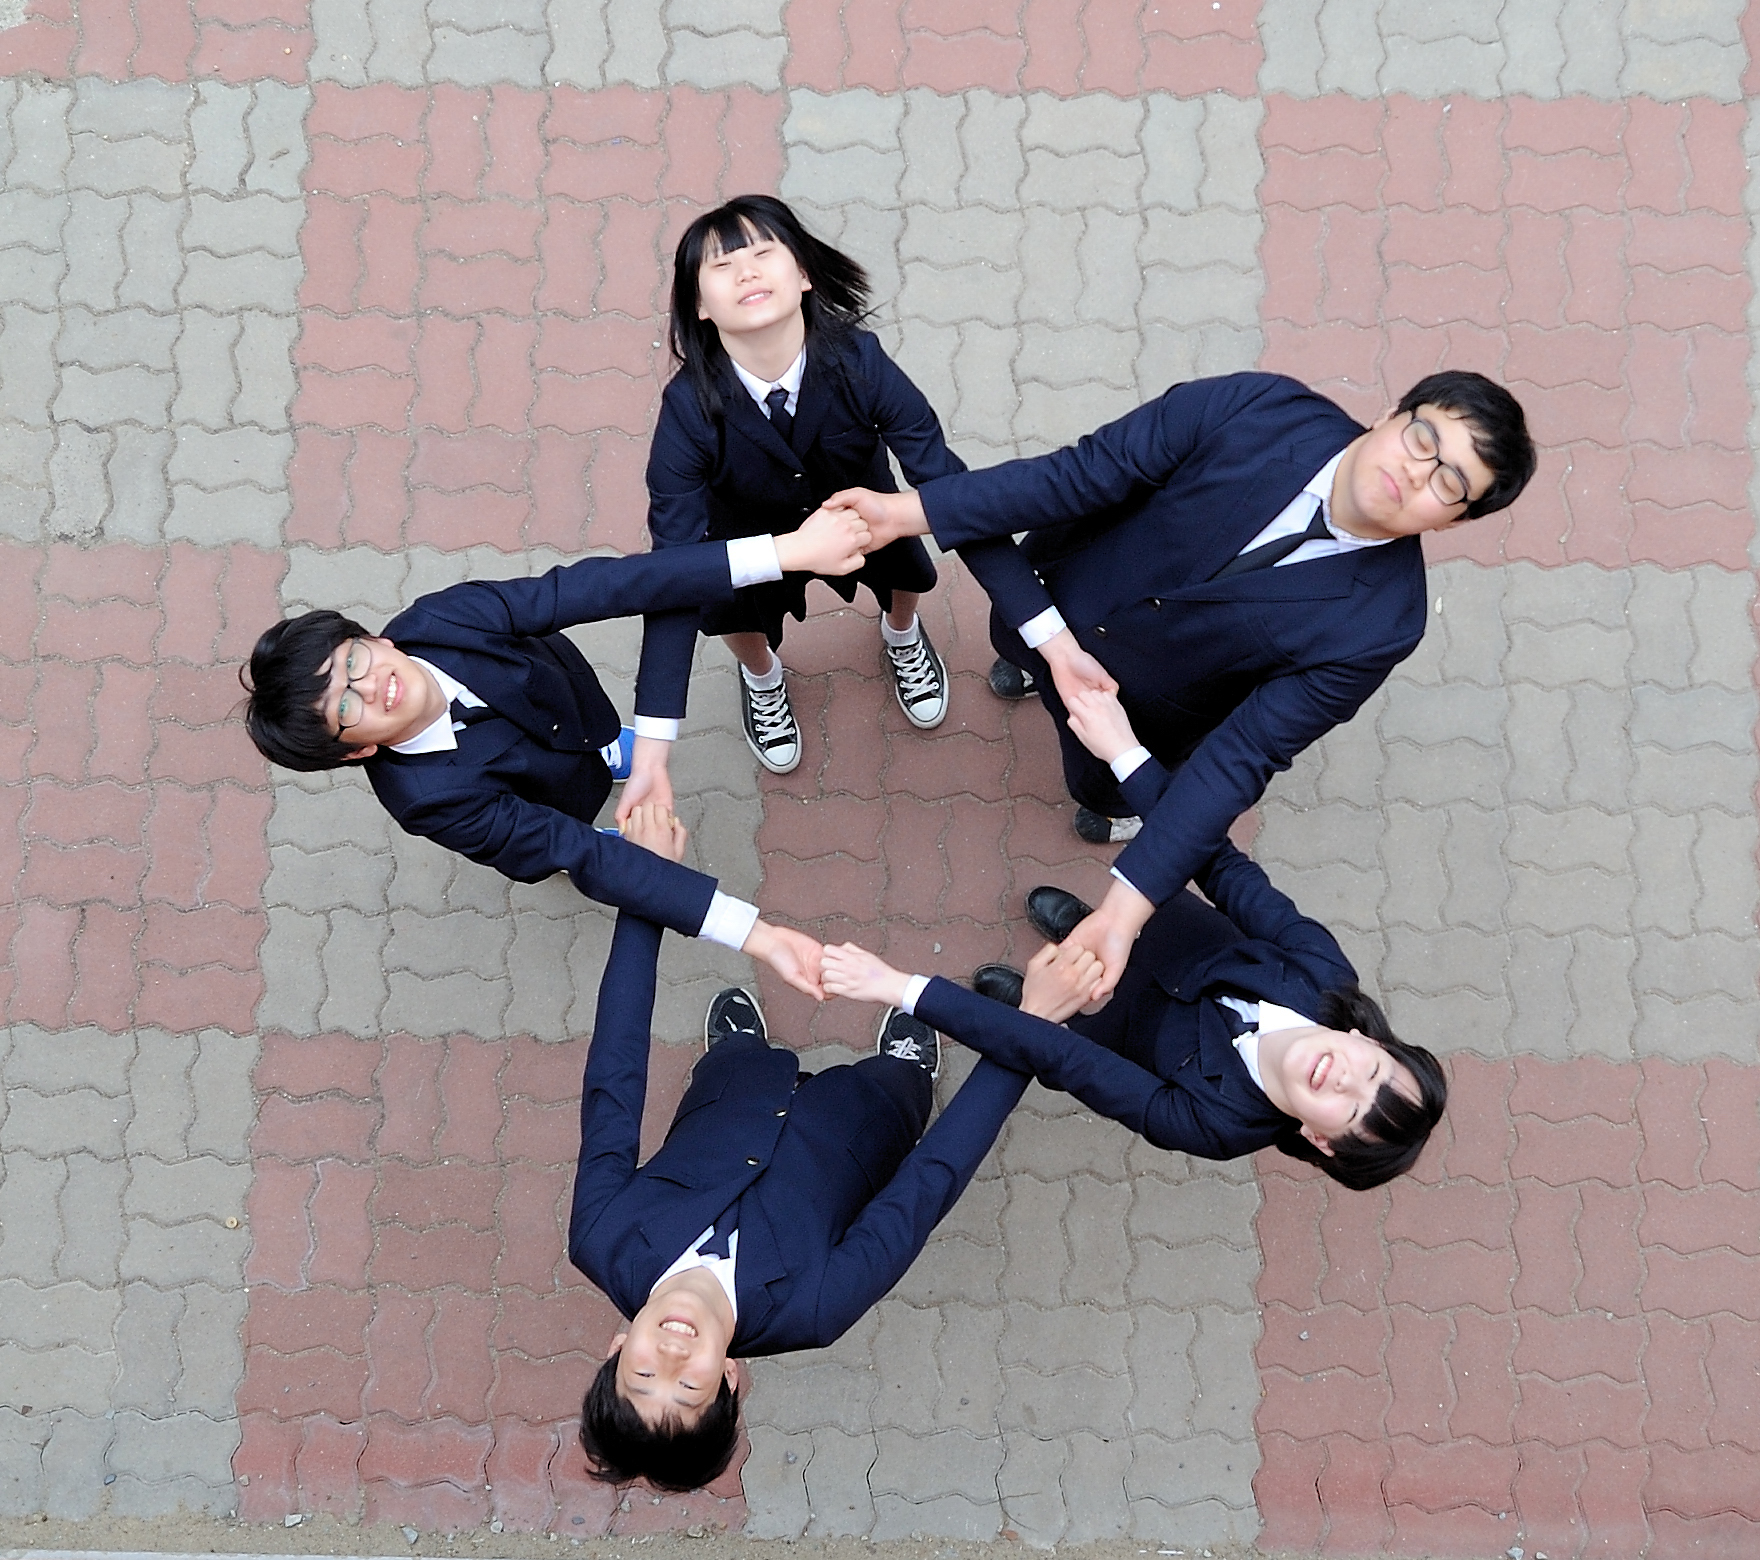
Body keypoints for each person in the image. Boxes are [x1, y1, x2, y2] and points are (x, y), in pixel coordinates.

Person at [832, 369, 1536, 996]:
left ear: (1454, 522)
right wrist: (906, 513)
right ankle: (1027, 666)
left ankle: (1115, 805)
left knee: (1098, 790)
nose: (1417, 473)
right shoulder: (1258, 406)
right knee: (1012, 644)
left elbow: (1245, 753)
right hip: (1057, 600)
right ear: (1391, 415)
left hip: (1139, 716)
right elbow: (1079, 476)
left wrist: (1124, 910)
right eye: (1423, 439)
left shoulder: (1384, 623)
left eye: (1450, 484)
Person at [569, 805, 1049, 1492]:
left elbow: (614, 1078)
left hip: (729, 1096)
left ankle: (739, 1050)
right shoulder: (815, 1309)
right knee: (899, 1085)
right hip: (861, 1128)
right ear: (731, 1379)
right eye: (690, 1387)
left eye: (643, 1373)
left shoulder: (600, 1237)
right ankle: (909, 1067)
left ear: (617, 1348)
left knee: (736, 1062)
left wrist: (645, 891)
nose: (671, 1354)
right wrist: (1026, 1035)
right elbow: (927, 1185)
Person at [821, 692, 1446, 1189]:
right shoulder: (1325, 975)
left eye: (1355, 1110)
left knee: (1049, 1022)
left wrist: (902, 988)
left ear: (1320, 1141)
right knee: (1099, 925)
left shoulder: (1216, 1126)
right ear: (1367, 1040)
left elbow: (1068, 1063)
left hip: (1110, 1026)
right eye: (1374, 1070)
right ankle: (1080, 927)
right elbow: (1224, 869)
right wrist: (1126, 755)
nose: (1345, 1080)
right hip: (1166, 928)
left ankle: (1030, 1001)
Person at [238, 516, 869, 997]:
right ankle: (611, 787)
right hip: (554, 802)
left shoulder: (443, 618)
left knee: (613, 750)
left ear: (372, 638)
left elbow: (599, 588)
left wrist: (785, 552)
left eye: (353, 660)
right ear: (358, 750)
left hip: (582, 716)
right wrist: (750, 932)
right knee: (579, 847)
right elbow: (569, 847)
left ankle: (616, 752)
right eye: (347, 708)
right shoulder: (428, 801)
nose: (372, 685)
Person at [623, 193, 962, 809]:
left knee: (906, 569)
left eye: (762, 254)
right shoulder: (687, 411)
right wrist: (653, 741)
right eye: (722, 266)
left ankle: (902, 633)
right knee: (729, 608)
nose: (746, 272)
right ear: (699, 306)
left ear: (803, 273)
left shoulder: (860, 361)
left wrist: (1042, 627)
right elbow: (671, 570)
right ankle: (762, 677)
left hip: (864, 518)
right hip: (747, 539)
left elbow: (947, 485)